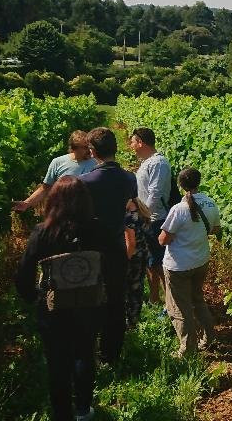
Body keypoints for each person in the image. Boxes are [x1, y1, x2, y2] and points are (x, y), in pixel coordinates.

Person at [15, 176, 102, 421]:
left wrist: (33, 297)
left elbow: (24, 273)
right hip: (89, 305)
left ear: (53, 201)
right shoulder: (96, 229)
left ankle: (62, 414)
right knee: (84, 354)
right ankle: (84, 409)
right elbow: (112, 264)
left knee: (57, 363)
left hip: (53, 310)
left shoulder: (43, 232)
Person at [79, 127, 137, 364]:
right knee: (116, 301)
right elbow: (128, 210)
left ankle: (87, 350)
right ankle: (110, 354)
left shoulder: (84, 181)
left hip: (91, 247)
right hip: (116, 246)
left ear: (92, 152)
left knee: (88, 300)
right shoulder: (129, 178)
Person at [158, 167, 221, 357]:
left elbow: (163, 239)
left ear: (180, 185)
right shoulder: (210, 203)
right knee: (197, 300)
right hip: (201, 261)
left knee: (179, 307)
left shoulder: (178, 209)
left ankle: (187, 349)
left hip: (178, 266)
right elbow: (215, 229)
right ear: (199, 182)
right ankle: (209, 338)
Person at [128, 128, 171, 307]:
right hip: (147, 219)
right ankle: (155, 299)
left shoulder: (158, 163)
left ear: (140, 142)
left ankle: (170, 302)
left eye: (132, 142)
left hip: (155, 220)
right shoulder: (148, 162)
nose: (130, 146)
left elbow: (155, 194)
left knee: (160, 264)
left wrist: (142, 216)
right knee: (151, 261)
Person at [13, 130, 97, 212]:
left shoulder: (96, 162)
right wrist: (27, 203)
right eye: (85, 147)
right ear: (74, 148)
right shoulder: (57, 162)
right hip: (63, 213)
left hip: (87, 213)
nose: (89, 150)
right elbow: (45, 188)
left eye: (89, 147)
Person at [123, 197, 153, 328]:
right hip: (142, 254)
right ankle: (134, 320)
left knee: (127, 290)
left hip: (132, 257)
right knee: (137, 288)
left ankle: (129, 323)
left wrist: (125, 260)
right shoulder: (141, 210)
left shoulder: (129, 216)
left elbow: (131, 243)